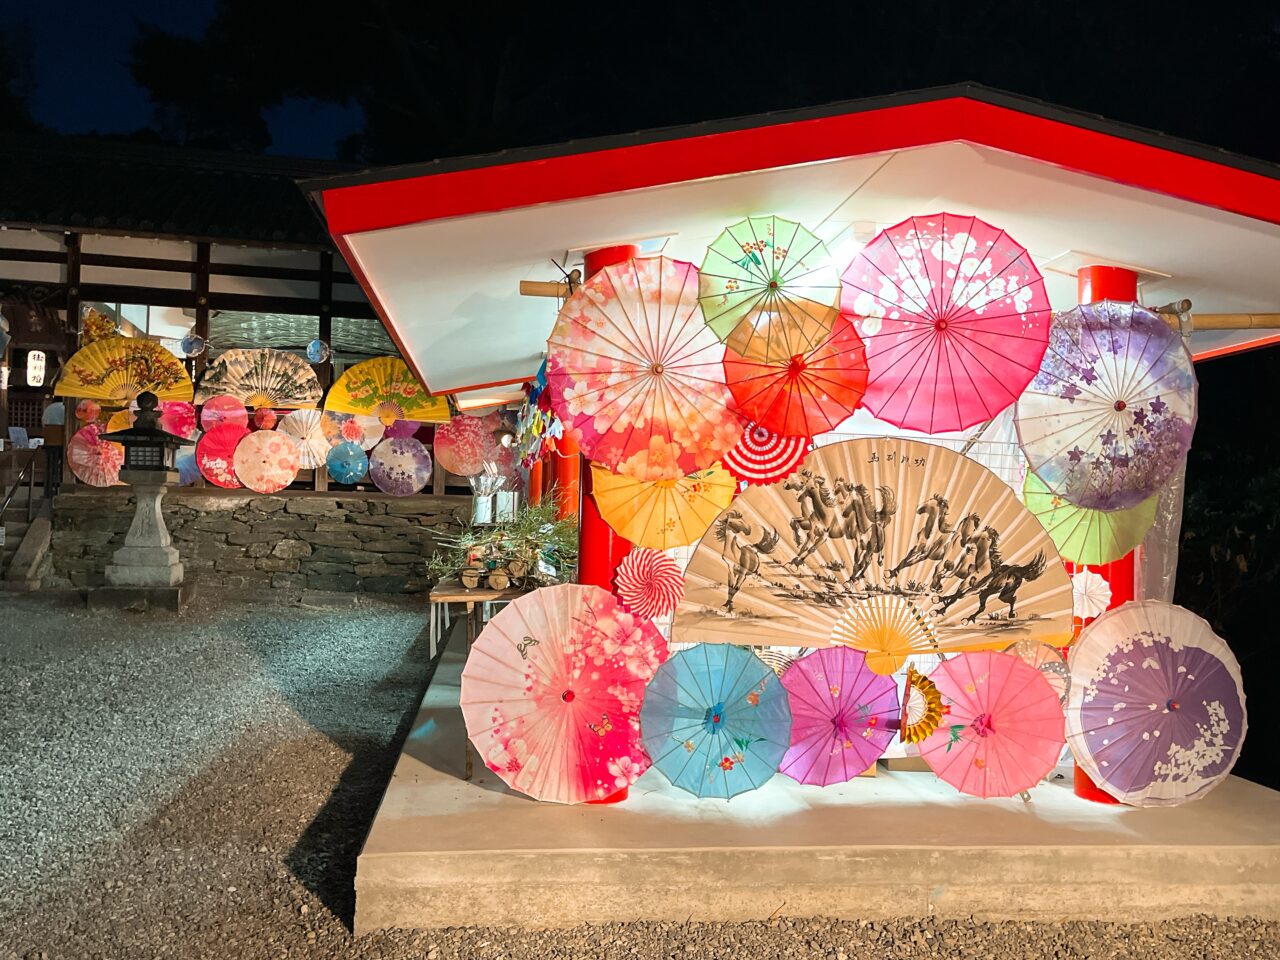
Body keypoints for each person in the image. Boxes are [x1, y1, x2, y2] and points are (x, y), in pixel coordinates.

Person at [40, 398, 65, 498]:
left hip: (50, 440)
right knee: (63, 465)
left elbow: (43, 423)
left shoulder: (48, 409)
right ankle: (60, 486)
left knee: (50, 466)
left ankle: (48, 490)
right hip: (62, 440)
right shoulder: (64, 408)